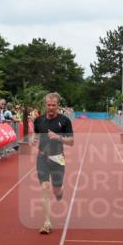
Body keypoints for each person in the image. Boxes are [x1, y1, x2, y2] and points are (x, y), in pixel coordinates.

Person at [32, 92, 74, 235]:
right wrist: (33, 139)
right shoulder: (38, 120)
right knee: (44, 187)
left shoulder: (65, 121)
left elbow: (72, 142)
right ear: (45, 105)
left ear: (57, 105)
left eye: (53, 105)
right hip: (42, 157)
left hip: (58, 158)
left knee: (56, 190)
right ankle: (47, 222)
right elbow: (36, 133)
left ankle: (60, 191)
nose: (51, 107)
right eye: (48, 105)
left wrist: (58, 137)